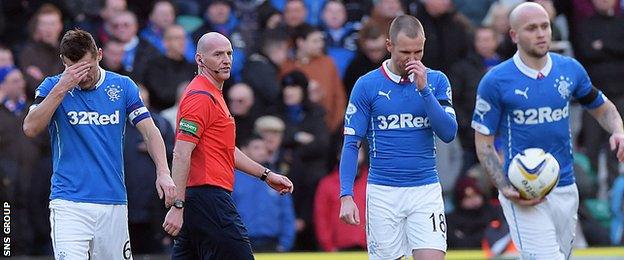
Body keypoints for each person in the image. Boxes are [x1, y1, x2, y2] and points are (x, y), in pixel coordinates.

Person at [471, 3, 624, 259]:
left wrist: (618, 130)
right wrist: (505, 186)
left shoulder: (569, 69)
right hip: (523, 190)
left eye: (545, 26)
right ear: (514, 35)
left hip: (565, 185)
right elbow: (483, 142)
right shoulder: (496, 80)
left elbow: (601, 107)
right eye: (532, 28)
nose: (541, 33)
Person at [22, 29, 176, 259]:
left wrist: (163, 172)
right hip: (69, 203)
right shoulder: (51, 87)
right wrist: (63, 86)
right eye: (75, 70)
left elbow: (150, 131)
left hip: (113, 201)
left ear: (99, 55)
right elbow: (30, 128)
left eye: (88, 68)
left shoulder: (123, 86)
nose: (82, 77)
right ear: (64, 62)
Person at [161, 32, 294, 260]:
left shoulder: (214, 94)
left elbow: (227, 150)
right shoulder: (200, 96)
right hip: (208, 197)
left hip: (200, 199)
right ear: (200, 59)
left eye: (229, 53)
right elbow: (182, 153)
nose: (226, 59)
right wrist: (178, 205)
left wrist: (266, 174)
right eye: (218, 54)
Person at [339, 15, 457, 260]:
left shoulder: (436, 81)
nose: (412, 59)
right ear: (389, 45)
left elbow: (448, 132)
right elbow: (352, 143)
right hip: (384, 192)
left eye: (418, 51)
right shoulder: (367, 85)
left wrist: (424, 91)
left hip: (425, 189)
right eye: (405, 52)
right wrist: (346, 195)